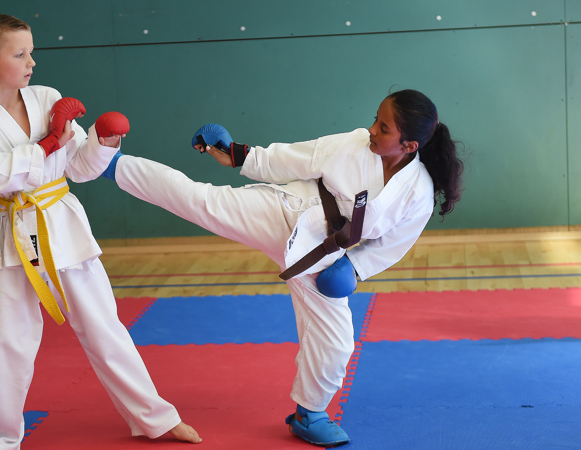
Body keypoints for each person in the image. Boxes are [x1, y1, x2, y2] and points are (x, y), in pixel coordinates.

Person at [103, 89, 463, 447]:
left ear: (409, 145)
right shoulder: (354, 143)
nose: (371, 129)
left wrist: (354, 267)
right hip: (285, 212)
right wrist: (239, 154)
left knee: (337, 341)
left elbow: (395, 242)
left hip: (322, 254)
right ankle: (110, 164)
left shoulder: (417, 191)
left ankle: (309, 415)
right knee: (200, 200)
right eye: (375, 120)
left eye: (383, 128)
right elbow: (296, 158)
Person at [0, 14, 201, 449]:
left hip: (62, 225)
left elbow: (79, 168)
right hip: (12, 231)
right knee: (5, 343)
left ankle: (155, 418)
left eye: (31, 52)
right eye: (20, 54)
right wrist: (48, 143)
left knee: (105, 326)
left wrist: (102, 140)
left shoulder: (47, 98)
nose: (32, 62)